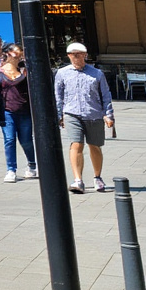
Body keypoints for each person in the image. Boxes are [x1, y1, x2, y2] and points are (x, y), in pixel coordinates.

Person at [55, 42, 115, 193]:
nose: (76, 57)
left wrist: (108, 115)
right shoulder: (62, 73)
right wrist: (59, 115)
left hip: (93, 113)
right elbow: (58, 96)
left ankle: (97, 177)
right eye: (73, 54)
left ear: (85, 55)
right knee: (76, 144)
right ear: (68, 56)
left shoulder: (97, 74)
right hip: (71, 113)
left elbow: (106, 95)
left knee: (94, 145)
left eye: (79, 54)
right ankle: (78, 180)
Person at [0, 42, 37, 183]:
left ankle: (32, 165)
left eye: (21, 53)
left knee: (26, 140)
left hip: (24, 111)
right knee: (9, 140)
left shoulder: (24, 71)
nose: (20, 55)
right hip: (7, 111)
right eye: (17, 52)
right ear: (8, 54)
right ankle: (11, 170)